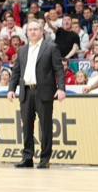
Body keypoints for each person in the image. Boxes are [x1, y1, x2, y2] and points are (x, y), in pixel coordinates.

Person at [7, 20, 67, 168]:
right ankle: (27, 157)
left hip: (44, 91)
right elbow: (16, 71)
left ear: (41, 31)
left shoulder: (51, 47)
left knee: (45, 126)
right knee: (26, 126)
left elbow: (59, 69)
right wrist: (11, 89)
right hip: (26, 92)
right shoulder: (22, 50)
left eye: (35, 29)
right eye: (30, 30)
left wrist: (61, 88)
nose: (33, 32)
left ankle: (44, 158)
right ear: (27, 33)